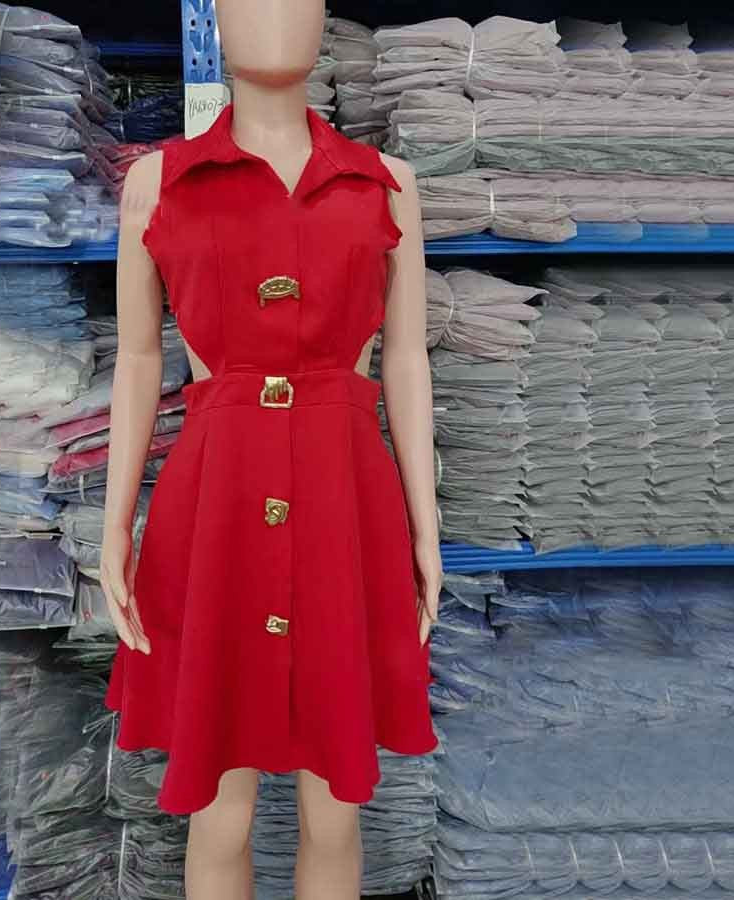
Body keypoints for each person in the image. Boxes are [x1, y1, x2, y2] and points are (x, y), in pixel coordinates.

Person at [101, 1, 442, 896]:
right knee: (220, 806)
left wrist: (425, 528)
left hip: (345, 502)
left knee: (336, 809)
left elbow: (406, 358)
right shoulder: (157, 182)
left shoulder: (387, 182)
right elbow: (138, 360)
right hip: (212, 506)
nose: (278, 14)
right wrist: (114, 529)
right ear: (214, 17)